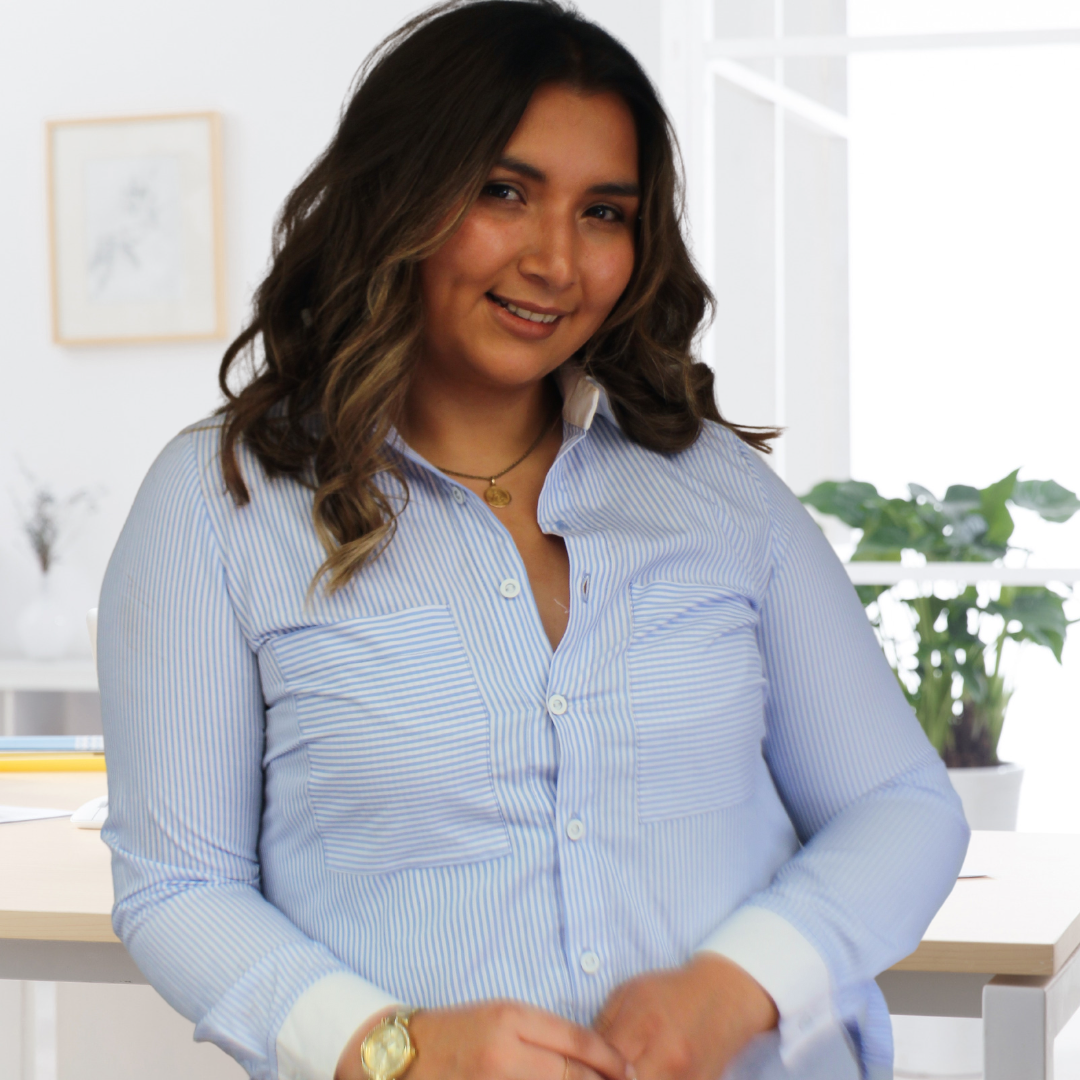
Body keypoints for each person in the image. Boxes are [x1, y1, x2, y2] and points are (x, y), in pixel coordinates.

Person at [97, 3, 969, 1079]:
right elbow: (179, 885)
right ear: (398, 196)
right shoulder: (217, 503)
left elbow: (899, 806)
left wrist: (736, 985)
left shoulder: (718, 492)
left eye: (604, 212)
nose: (557, 260)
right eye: (504, 192)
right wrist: (395, 1050)